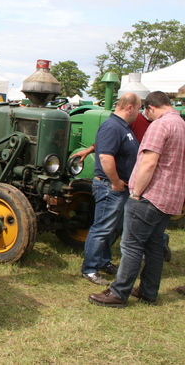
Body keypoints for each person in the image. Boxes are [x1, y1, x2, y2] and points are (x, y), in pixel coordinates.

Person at [89, 91, 185, 307]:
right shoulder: (181, 124)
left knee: (131, 245)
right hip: (170, 197)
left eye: (145, 110)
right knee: (153, 247)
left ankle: (118, 293)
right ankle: (148, 291)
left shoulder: (160, 126)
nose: (144, 115)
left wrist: (136, 193)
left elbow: (149, 163)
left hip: (150, 196)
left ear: (151, 108)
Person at [72, 106, 172, 262]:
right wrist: (90, 150)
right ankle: (93, 265)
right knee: (108, 225)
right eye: (138, 107)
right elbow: (108, 143)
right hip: (121, 182)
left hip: (137, 178)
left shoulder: (160, 125)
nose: (139, 111)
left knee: (127, 221)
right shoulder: (131, 121)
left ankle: (154, 244)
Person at [81, 92, 141, 286]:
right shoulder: (112, 126)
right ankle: (89, 268)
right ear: (129, 107)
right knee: (102, 228)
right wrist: (115, 181)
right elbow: (106, 157)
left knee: (112, 228)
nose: (138, 113)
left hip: (118, 187)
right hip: (110, 186)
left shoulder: (123, 127)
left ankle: (103, 262)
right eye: (138, 108)